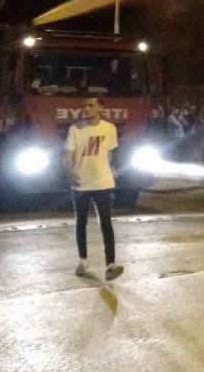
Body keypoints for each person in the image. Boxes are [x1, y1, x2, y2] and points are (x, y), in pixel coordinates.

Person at [65, 96, 123, 281]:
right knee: (80, 222)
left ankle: (110, 265)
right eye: (85, 105)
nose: (87, 108)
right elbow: (68, 155)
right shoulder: (75, 129)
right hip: (81, 183)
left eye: (91, 105)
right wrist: (71, 173)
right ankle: (83, 260)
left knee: (106, 223)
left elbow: (109, 154)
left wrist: (112, 169)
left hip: (103, 183)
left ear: (100, 108)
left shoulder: (109, 128)